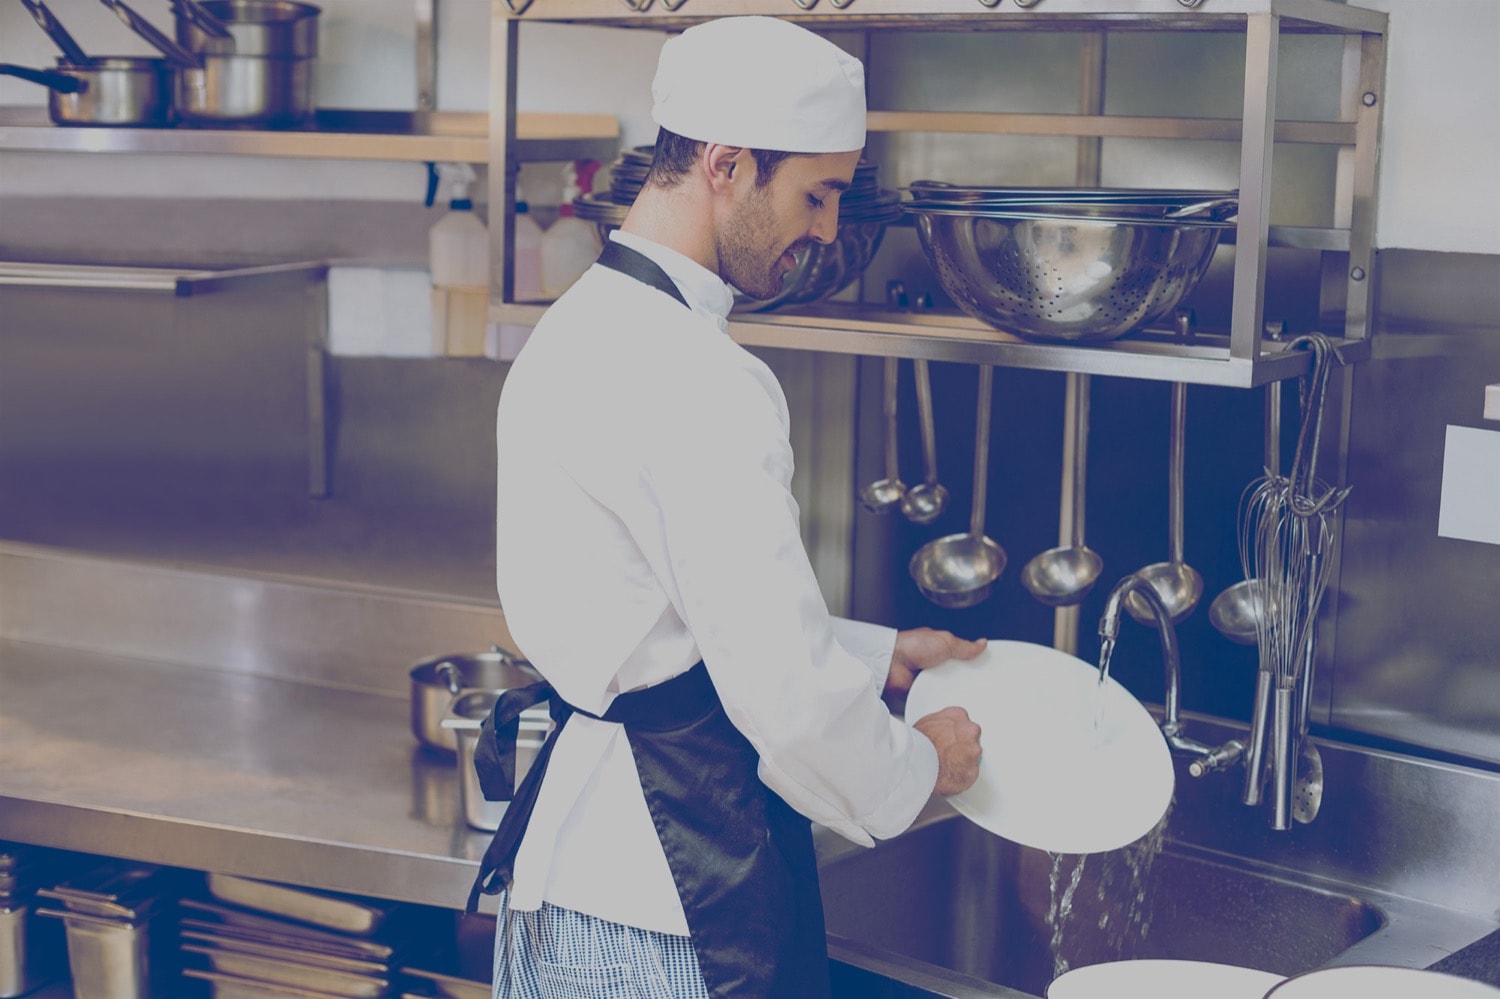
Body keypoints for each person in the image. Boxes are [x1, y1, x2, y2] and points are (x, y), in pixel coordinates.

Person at [475, 15, 985, 998]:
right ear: (724, 164)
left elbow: (660, 615)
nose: (829, 228)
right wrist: (918, 767)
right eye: (818, 193)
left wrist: (880, 657)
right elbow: (784, 697)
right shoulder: (701, 377)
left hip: (566, 889)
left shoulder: (581, 324)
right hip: (672, 899)